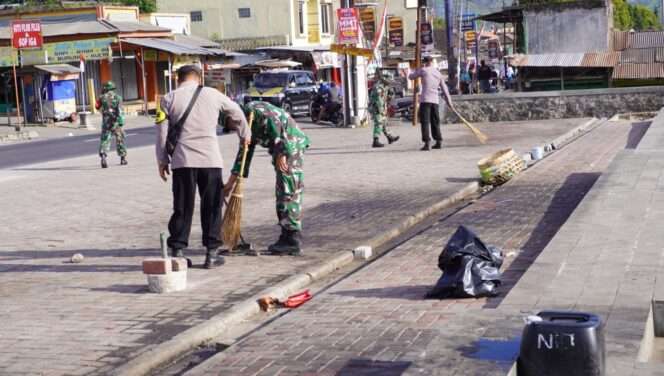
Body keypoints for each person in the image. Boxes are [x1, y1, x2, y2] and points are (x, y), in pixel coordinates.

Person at [156, 65, 250, 269]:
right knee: (212, 207)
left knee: (182, 207)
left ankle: (178, 252)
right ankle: (211, 254)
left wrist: (162, 160)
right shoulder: (213, 94)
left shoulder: (168, 98)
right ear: (199, 78)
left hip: (182, 162)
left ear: (178, 78)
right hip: (210, 161)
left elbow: (162, 133)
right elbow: (237, 112)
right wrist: (245, 135)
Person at [223, 101, 310, 255]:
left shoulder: (254, 111)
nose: (234, 129)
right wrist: (229, 185)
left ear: (234, 116)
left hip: (290, 144)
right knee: (281, 191)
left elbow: (275, 123)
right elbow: (244, 156)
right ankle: (286, 235)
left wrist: (282, 153)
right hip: (279, 149)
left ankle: (292, 238)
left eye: (231, 125)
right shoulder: (245, 125)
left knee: (288, 189)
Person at [408, 56, 453, 151]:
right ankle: (438, 141)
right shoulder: (438, 73)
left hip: (425, 100)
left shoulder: (423, 70)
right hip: (435, 101)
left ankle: (427, 143)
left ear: (425, 62)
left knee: (425, 122)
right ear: (432, 62)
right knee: (435, 121)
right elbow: (445, 89)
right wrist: (449, 101)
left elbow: (410, 77)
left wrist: (417, 70)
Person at [96, 81, 127, 168]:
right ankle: (123, 159)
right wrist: (121, 122)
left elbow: (97, 106)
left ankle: (103, 156)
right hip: (116, 122)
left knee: (105, 140)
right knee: (120, 139)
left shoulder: (101, 97)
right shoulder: (118, 97)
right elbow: (120, 111)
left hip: (106, 122)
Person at [368, 71, 399, 148]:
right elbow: (378, 99)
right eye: (388, 80)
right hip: (376, 107)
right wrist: (381, 109)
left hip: (381, 107)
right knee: (379, 123)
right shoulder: (378, 87)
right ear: (384, 79)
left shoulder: (385, 86)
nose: (390, 82)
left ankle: (389, 137)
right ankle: (376, 140)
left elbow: (388, 97)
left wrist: (391, 94)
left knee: (384, 122)